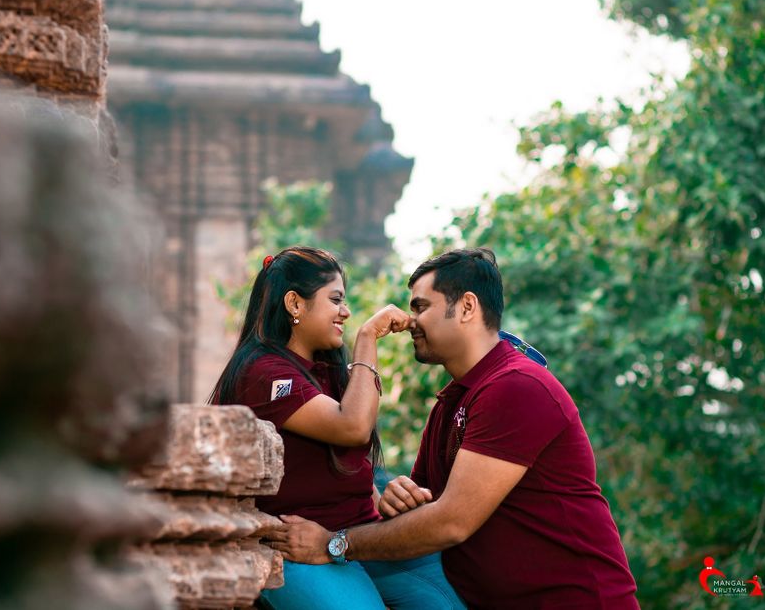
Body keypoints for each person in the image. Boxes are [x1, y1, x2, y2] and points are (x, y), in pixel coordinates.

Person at [272, 248, 640, 610]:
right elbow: (427, 515)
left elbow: (451, 523)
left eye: (421, 307)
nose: (410, 321)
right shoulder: (453, 403)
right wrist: (401, 497)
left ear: (466, 307)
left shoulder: (517, 386)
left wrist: (334, 544)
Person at [210, 246, 465, 610]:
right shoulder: (262, 372)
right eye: (335, 300)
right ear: (295, 304)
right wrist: (367, 339)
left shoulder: (325, 370)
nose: (345, 312)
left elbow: (351, 460)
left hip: (359, 537)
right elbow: (353, 428)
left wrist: (384, 495)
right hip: (301, 546)